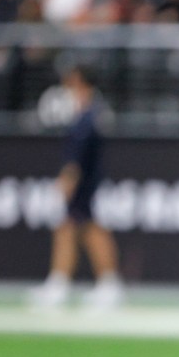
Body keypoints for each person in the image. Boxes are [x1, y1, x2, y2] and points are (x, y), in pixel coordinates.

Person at [28, 64, 123, 309]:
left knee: (89, 229)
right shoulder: (89, 114)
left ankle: (104, 284)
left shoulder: (89, 116)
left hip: (85, 183)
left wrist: (68, 180)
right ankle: (61, 283)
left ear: (80, 82)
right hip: (87, 182)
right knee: (71, 229)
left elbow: (77, 157)